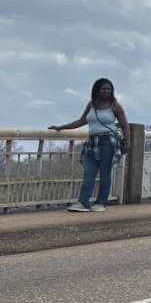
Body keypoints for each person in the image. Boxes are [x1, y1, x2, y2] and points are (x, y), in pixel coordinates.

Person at [50, 77, 130, 212]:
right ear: (97, 90)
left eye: (109, 89)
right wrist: (60, 127)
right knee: (89, 172)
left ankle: (101, 202)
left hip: (107, 142)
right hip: (92, 142)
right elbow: (82, 121)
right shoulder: (91, 104)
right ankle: (83, 202)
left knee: (105, 173)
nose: (106, 91)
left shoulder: (115, 106)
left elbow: (125, 126)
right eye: (103, 88)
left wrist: (128, 143)